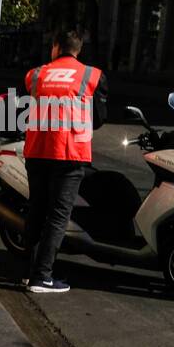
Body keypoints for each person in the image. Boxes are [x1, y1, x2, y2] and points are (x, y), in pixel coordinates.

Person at [21, 28, 108, 294]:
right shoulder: (92, 75)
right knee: (57, 216)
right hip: (69, 154)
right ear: (78, 50)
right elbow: (100, 117)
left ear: (56, 47)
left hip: (37, 151)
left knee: (36, 210)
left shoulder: (35, 74)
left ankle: (29, 272)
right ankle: (42, 277)